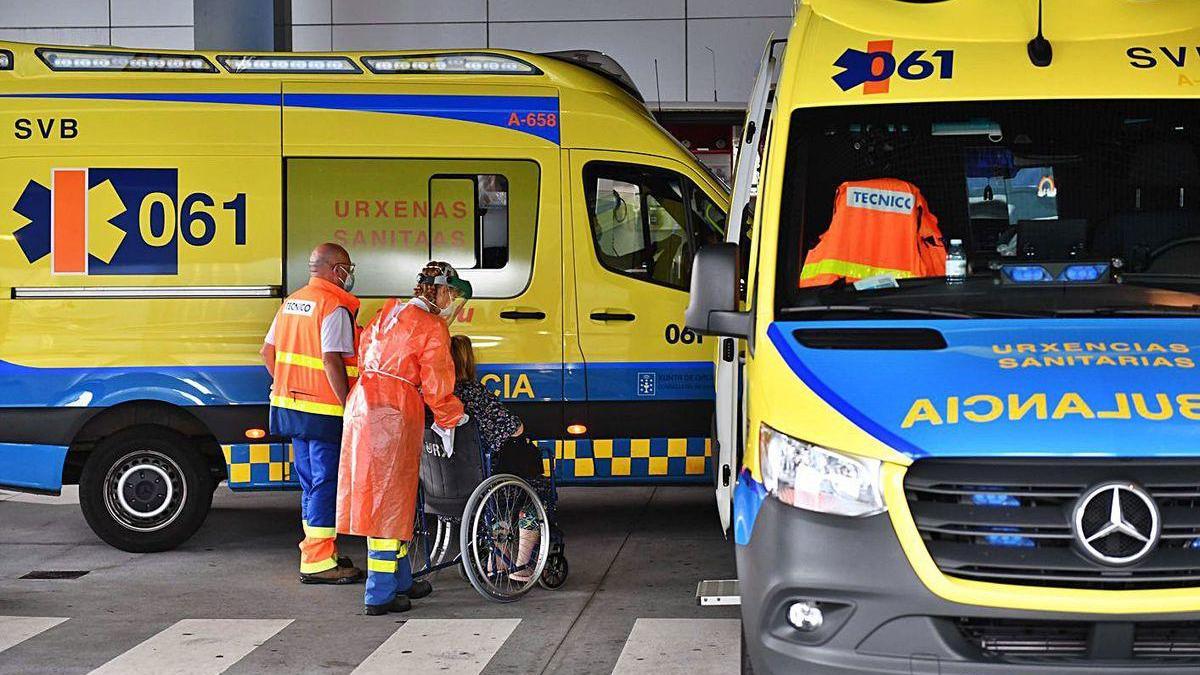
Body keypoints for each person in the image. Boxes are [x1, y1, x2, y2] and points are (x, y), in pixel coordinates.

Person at [337, 261, 471, 615]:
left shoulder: (388, 312)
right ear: (440, 290)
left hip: (363, 406)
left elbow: (367, 351)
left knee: (389, 499)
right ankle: (379, 594)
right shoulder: (431, 326)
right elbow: (438, 379)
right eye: (451, 293)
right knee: (386, 502)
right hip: (393, 414)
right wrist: (449, 419)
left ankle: (401, 580)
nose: (451, 300)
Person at [260, 242, 363, 584]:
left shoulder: (292, 302)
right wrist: (348, 404)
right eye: (347, 267)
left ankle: (319, 550)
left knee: (310, 484)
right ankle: (319, 563)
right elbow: (332, 359)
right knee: (325, 484)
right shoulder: (332, 305)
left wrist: (291, 384)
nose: (350, 275)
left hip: (290, 407)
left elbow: (267, 352)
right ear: (336, 270)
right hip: (322, 411)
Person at [447, 335, 551, 583]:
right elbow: (516, 428)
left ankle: (497, 560)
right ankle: (521, 564)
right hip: (489, 480)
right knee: (533, 494)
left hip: (452, 481)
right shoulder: (475, 394)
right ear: (467, 361)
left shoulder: (438, 397)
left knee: (500, 499)